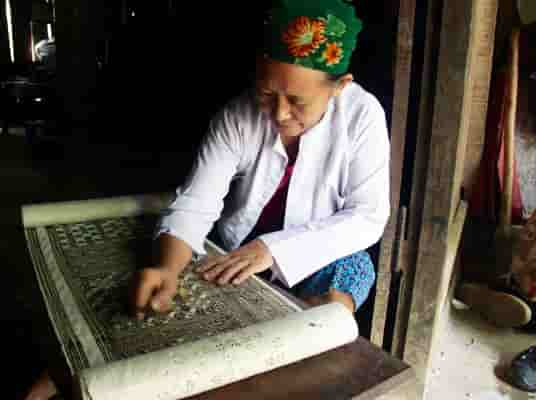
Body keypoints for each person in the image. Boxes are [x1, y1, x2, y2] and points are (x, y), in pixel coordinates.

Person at [24, 0, 390, 398]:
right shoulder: (238, 116)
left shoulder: (362, 117)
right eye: (268, 93)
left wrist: (272, 250)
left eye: (298, 102)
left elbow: (367, 216)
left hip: (315, 251)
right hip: (235, 250)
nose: (279, 114)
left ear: (341, 86)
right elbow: (197, 201)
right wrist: (167, 267)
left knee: (344, 286)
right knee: (169, 303)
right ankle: (77, 370)